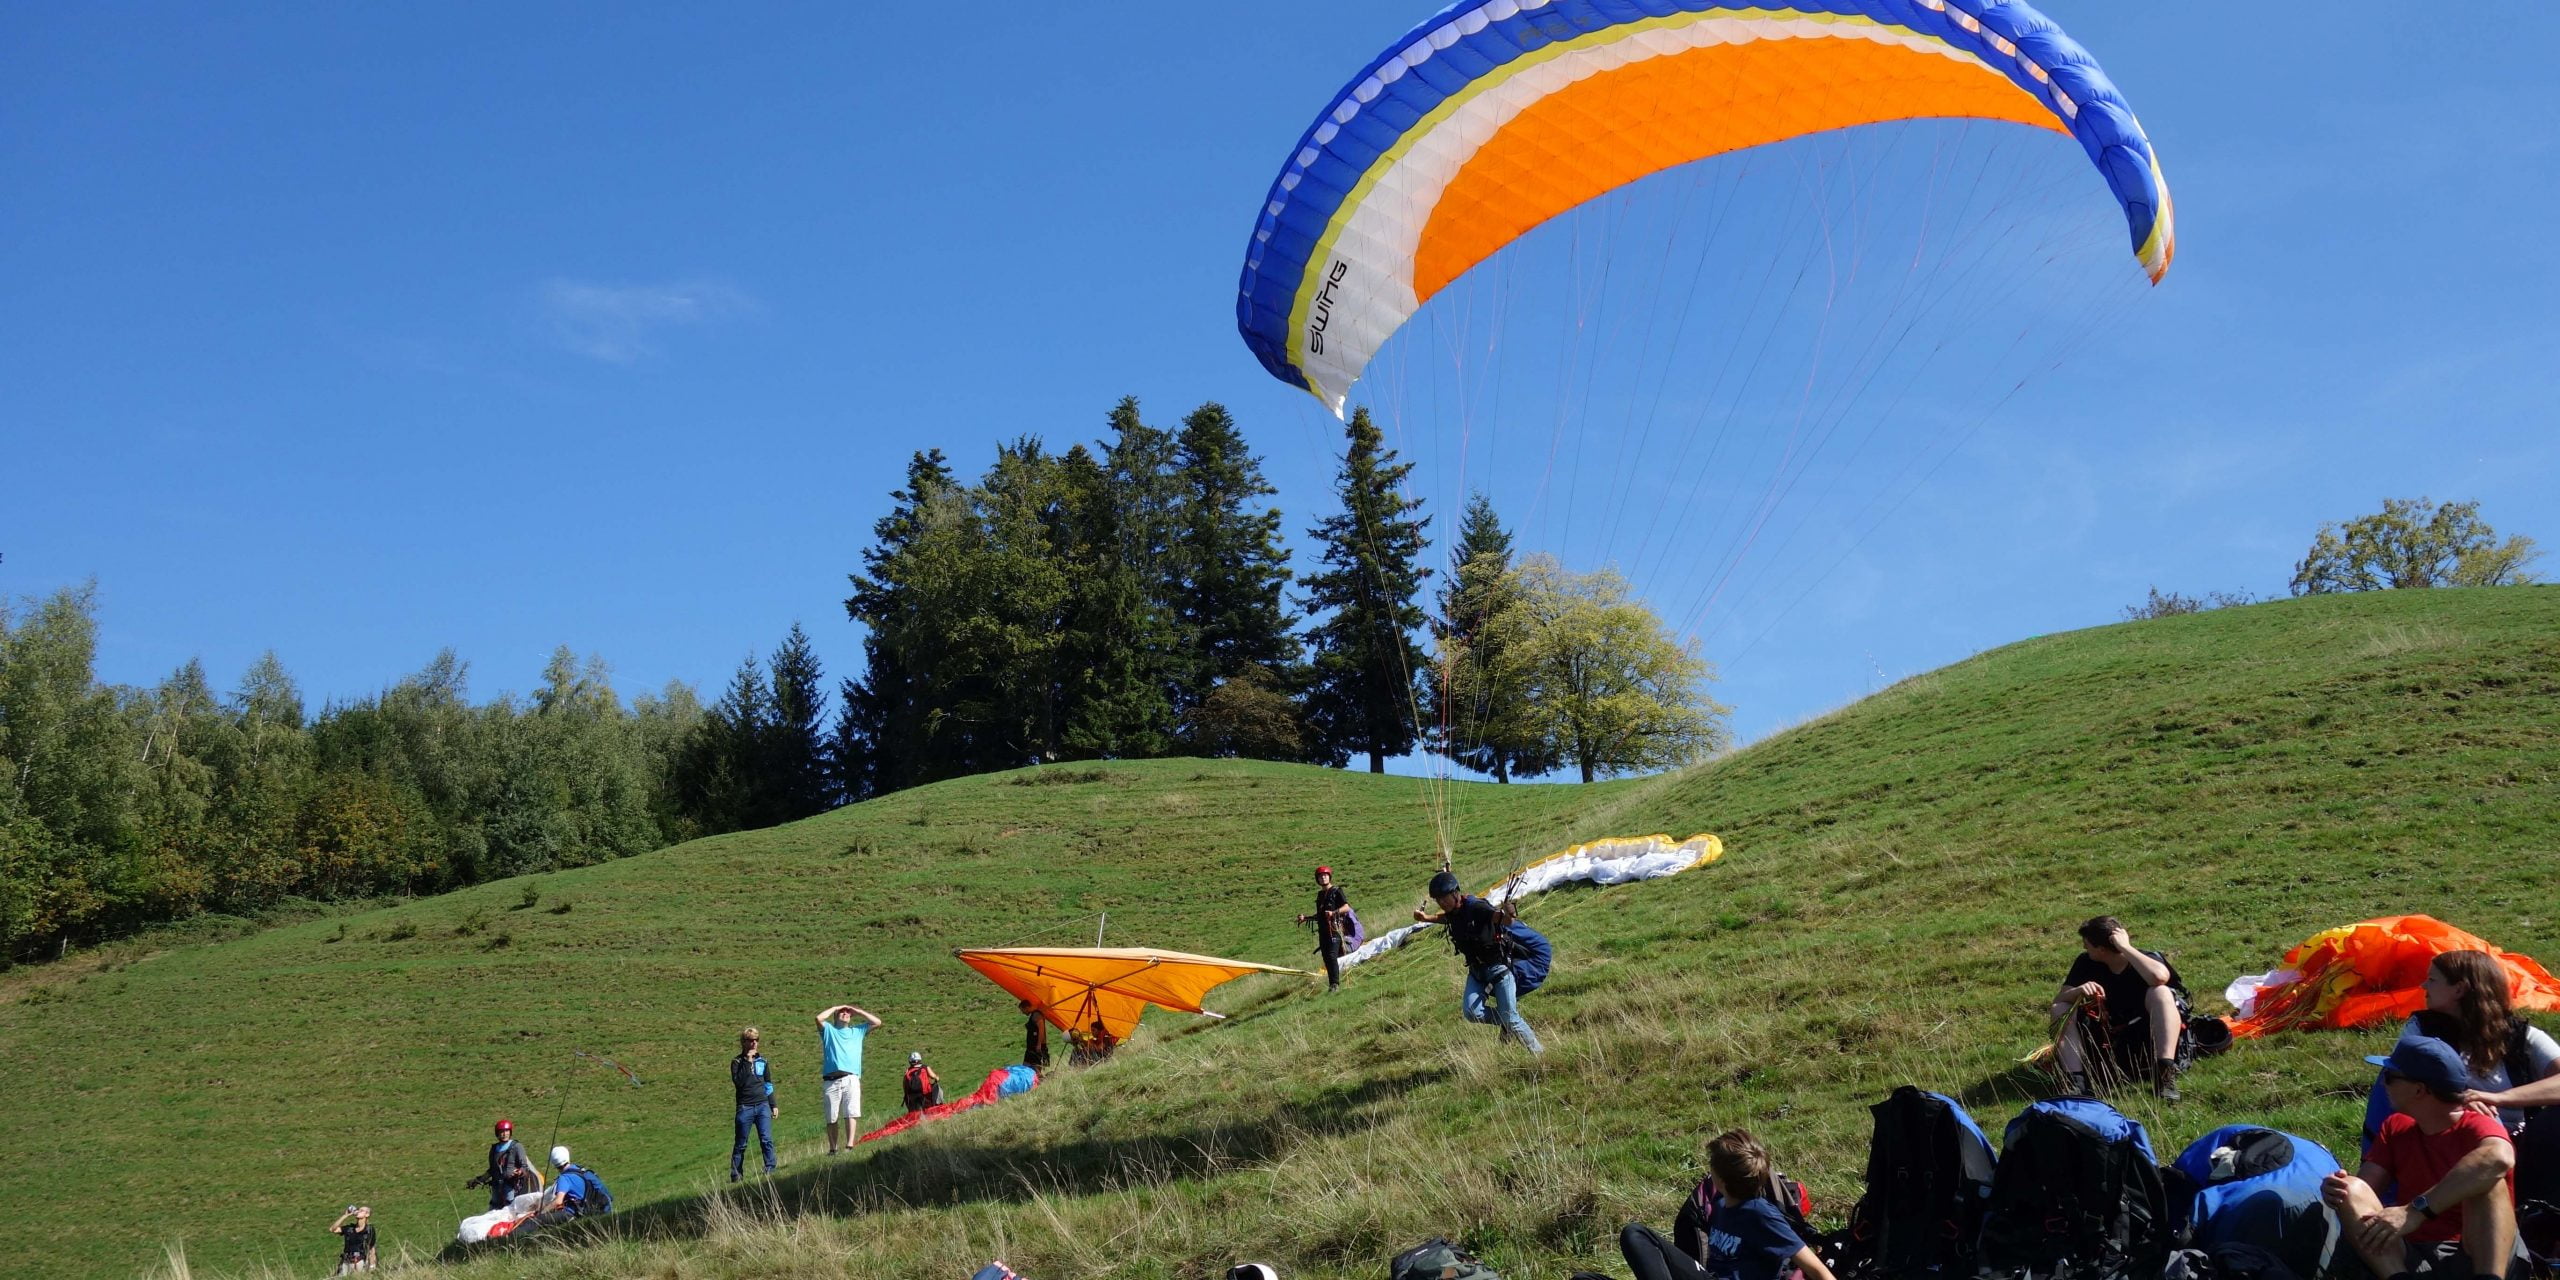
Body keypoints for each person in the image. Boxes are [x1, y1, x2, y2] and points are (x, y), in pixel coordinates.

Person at [2324, 1035, 2524, 1280]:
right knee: (2350, 1189)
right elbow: (2366, 1187)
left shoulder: (2477, 1125)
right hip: (2415, 1255)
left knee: (2489, 1181)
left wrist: (2414, 1212)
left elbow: (2499, 1158)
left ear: (2419, 1089)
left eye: (2389, 1077)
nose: (2384, 1085)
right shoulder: (2396, 1126)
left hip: (2477, 1253)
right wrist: (2337, 1189)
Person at [1621, 1130, 1837, 1280]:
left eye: (1711, 1168)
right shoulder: (1721, 1206)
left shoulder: (1760, 1214)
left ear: (1721, 1181)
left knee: (1635, 1234)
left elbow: (1818, 1270)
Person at [2049, 915, 2190, 1100]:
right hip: (2107, 1035)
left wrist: (2126, 947)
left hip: (2146, 1033)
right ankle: (2075, 1083)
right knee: (2060, 1009)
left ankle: (2164, 1074)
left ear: (2101, 950)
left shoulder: (2144, 959)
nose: (2084, 948)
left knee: (2161, 992)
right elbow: (2059, 1000)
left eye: (2087, 945)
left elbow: (2159, 977)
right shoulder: (2086, 963)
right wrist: (2078, 991)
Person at [1412, 869, 1542, 1056]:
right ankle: (1509, 1017)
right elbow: (1446, 918)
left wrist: (1510, 913)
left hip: (1499, 970)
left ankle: (1539, 1054)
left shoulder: (1476, 907)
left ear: (1455, 893)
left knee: (1511, 1019)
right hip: (1476, 972)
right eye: (1437, 900)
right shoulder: (1454, 912)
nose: (1441, 903)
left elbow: (1503, 920)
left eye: (1444, 898)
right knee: (1471, 1012)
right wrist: (1426, 918)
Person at [813, 1002, 882, 1155]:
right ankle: (833, 1148)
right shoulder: (829, 1030)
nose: (845, 1013)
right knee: (831, 1117)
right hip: (831, 1080)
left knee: (851, 1112)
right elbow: (818, 1018)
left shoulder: (857, 1031)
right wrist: (834, 1008)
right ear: (836, 1016)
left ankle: (849, 1145)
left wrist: (858, 1011)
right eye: (842, 1012)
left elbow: (877, 1022)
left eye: (847, 1012)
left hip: (850, 1077)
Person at [729, 1026, 778, 1182]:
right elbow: (739, 1082)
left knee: (766, 1139)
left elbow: (768, 1084)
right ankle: (736, 1174)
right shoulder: (737, 1062)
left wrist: (773, 1104)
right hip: (745, 1107)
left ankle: (770, 1167)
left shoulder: (763, 1061)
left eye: (756, 1040)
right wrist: (747, 1063)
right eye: (750, 1040)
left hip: (762, 1105)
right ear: (743, 1042)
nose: (754, 1043)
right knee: (741, 1143)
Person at [1298, 865, 1355, 991]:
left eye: (1325, 875)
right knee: (1326, 958)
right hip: (1323, 931)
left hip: (1335, 930)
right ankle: (1332, 984)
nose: (1323, 878)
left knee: (1331, 955)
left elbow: (1346, 907)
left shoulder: (1336, 891)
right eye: (1320, 876)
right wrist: (1306, 918)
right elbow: (1320, 915)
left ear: (1329, 876)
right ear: (1317, 880)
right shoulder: (1320, 895)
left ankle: (1335, 984)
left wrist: (1334, 913)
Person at [466, 1118, 543, 1210]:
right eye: (501, 1131)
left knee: (510, 1208)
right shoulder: (494, 1149)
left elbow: (524, 1166)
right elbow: (492, 1170)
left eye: (506, 1131)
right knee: (494, 1208)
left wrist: (520, 1172)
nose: (504, 1134)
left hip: (511, 1185)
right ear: (497, 1133)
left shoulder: (517, 1147)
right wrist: (478, 1180)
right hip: (496, 1185)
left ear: (510, 1132)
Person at [328, 1204, 377, 1275]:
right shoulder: (349, 1228)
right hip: (346, 1261)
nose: (358, 1211)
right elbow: (332, 1229)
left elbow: (371, 1248)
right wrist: (345, 1216)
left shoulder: (369, 1229)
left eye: (361, 1211)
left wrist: (372, 1266)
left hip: (360, 1261)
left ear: (367, 1215)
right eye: (358, 1210)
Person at [1021, 999, 1051, 1076]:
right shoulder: (1033, 1016)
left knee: (1036, 1066)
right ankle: (1034, 1079)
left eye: (1023, 1010)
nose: (1023, 1013)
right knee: (1026, 1065)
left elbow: (1041, 1030)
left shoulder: (1036, 1015)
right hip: (1031, 1047)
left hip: (1036, 1046)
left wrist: (1039, 1044)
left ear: (1026, 1007)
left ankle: (1039, 1080)